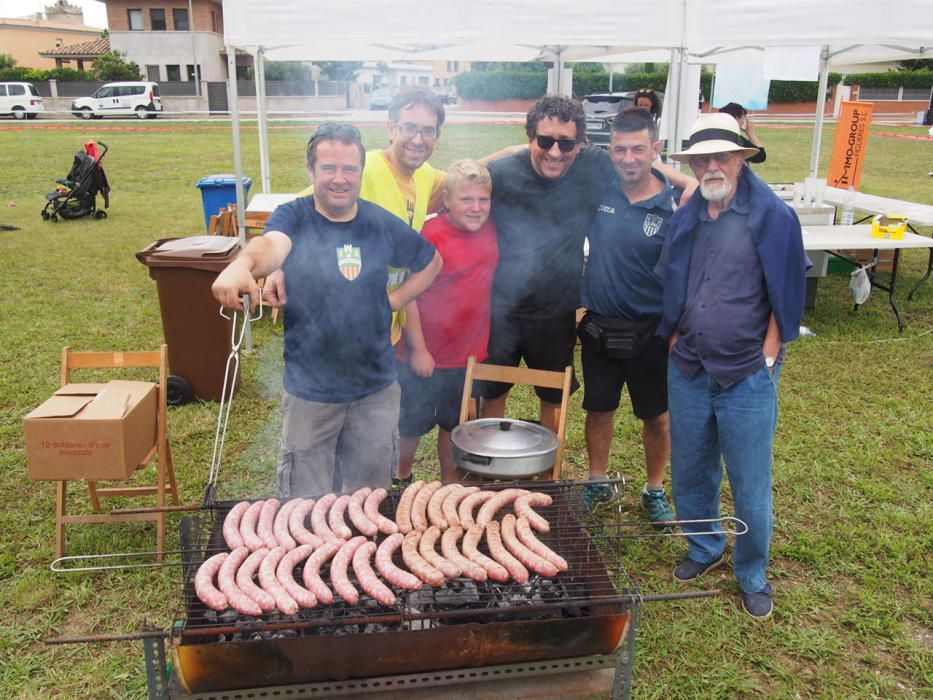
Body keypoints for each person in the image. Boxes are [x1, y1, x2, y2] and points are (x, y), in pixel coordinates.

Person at [211, 124, 442, 498]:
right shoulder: (294, 217)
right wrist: (242, 266)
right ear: (311, 170)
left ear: (360, 172)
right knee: (306, 502)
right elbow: (271, 245)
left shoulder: (379, 222)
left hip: (376, 388)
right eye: (329, 168)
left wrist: (395, 300)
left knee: (369, 499)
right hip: (311, 392)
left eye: (349, 169)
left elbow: (432, 262)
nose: (339, 178)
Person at [657, 113, 807, 619]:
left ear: (742, 158)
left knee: (749, 480)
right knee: (691, 467)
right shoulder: (689, 214)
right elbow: (671, 279)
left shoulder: (773, 216)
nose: (711, 167)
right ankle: (704, 546)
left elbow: (788, 288)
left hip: (746, 370)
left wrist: (769, 354)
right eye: (701, 160)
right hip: (689, 366)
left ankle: (753, 573)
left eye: (722, 156)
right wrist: (674, 335)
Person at [479, 94, 695, 438]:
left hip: (556, 311)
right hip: (500, 309)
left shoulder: (591, 164)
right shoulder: (502, 173)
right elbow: (460, 180)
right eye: (544, 141)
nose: (555, 152)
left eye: (566, 143)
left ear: (580, 145)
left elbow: (637, 159)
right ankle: (489, 462)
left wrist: (688, 182)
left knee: (554, 397)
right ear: (530, 137)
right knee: (492, 393)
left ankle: (548, 466)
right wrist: (507, 151)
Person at [578, 108, 676, 521]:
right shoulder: (598, 192)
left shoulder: (674, 205)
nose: (629, 158)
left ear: (656, 149)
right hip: (600, 326)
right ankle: (596, 481)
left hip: (650, 331)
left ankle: (654, 490)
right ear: (610, 151)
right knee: (599, 409)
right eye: (620, 149)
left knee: (657, 417)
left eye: (638, 149)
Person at [395, 160, 499, 483]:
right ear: (446, 201)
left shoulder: (492, 229)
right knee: (410, 427)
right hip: (424, 356)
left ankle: (448, 489)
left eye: (483, 199)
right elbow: (409, 294)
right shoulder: (431, 234)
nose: (476, 208)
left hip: (467, 356)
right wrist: (418, 349)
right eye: (466, 199)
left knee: (455, 429)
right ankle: (400, 477)